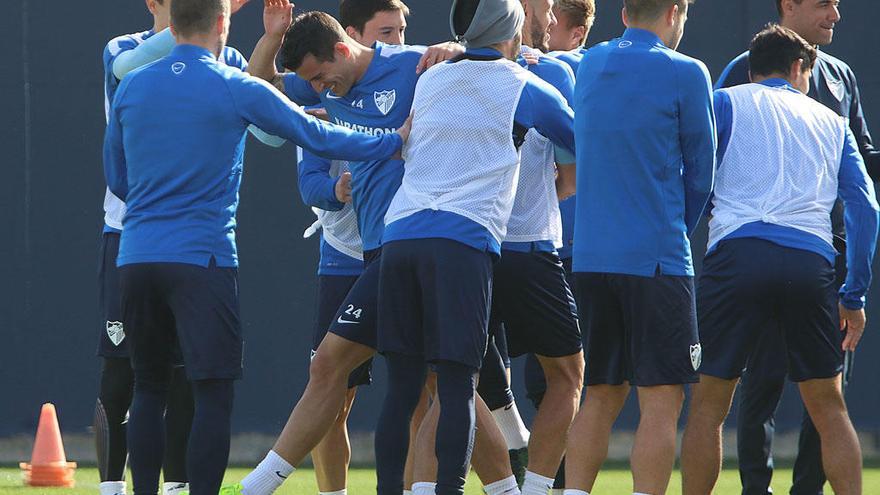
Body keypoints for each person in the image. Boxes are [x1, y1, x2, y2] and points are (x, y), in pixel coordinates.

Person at [102, 0, 407, 492]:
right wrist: (390, 142)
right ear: (223, 23)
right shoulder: (233, 84)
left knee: (149, 386)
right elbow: (317, 134)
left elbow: (117, 177)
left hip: (135, 255)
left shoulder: (133, 84)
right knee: (213, 390)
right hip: (203, 258)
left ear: (172, 24)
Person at [234, 4, 511, 495]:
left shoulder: (415, 64)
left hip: (423, 244)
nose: (320, 90)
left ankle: (258, 486)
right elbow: (258, 90)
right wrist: (271, 38)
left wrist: (460, 51)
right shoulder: (323, 82)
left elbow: (495, 70)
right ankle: (509, 490)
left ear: (343, 48)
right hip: (382, 253)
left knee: (374, 372)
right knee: (441, 384)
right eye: (313, 83)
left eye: (322, 77)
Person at [376, 0, 576, 492]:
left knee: (408, 391)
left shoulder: (430, 77)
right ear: (515, 27)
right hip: (472, 242)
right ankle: (516, 488)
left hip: (400, 235)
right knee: (465, 385)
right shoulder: (527, 83)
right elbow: (582, 137)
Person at [680, 24, 879, 495]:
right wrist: (854, 293)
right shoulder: (831, 122)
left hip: (735, 258)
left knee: (709, 406)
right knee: (830, 409)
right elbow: (866, 208)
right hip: (810, 263)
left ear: (751, 69)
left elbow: (695, 177)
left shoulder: (723, 101)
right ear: (798, 68)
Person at [95, 2, 255, 495]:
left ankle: (177, 486)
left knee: (191, 373)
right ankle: (111, 486)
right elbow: (126, 74)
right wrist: (199, 21)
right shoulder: (124, 49)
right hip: (129, 235)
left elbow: (264, 117)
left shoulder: (230, 58)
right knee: (124, 372)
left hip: (194, 243)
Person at [561, 0, 715, 494]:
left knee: (599, 395)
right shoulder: (687, 71)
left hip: (589, 257)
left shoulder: (590, 62)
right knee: (662, 400)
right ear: (674, 12)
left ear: (624, 13)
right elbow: (702, 172)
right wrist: (676, 229)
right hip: (656, 258)